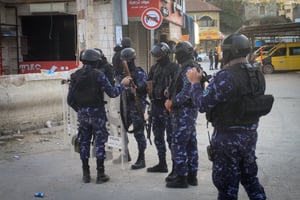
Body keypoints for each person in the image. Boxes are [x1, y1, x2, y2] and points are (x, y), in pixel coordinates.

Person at [186, 33, 268, 199]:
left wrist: (195, 83)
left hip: (227, 139)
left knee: (227, 188)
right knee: (250, 178)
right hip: (250, 135)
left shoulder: (225, 76)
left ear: (229, 52)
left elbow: (202, 104)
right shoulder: (257, 74)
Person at [67, 49, 131, 184]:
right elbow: (113, 93)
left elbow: (70, 100)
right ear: (96, 62)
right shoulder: (99, 75)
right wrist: (123, 85)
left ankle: (86, 174)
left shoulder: (75, 76)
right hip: (98, 114)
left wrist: (81, 110)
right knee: (100, 143)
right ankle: (100, 174)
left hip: (83, 115)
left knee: (84, 143)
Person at [164, 41, 199, 188]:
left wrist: (173, 101)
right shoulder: (188, 66)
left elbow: (187, 91)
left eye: (177, 54)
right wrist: (169, 91)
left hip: (183, 111)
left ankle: (181, 178)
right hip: (188, 110)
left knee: (179, 143)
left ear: (182, 54)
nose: (176, 57)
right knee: (190, 143)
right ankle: (191, 176)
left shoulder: (188, 68)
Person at [146, 42, 179, 174]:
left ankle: (176, 167)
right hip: (155, 106)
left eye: (158, 54)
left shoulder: (174, 68)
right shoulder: (154, 68)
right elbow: (148, 84)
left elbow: (178, 86)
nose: (156, 57)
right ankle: (162, 163)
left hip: (168, 108)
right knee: (158, 137)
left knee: (171, 138)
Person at [120, 47, 148, 170]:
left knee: (138, 132)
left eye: (127, 60)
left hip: (137, 106)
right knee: (122, 130)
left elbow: (144, 88)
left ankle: (141, 158)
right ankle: (125, 153)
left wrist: (135, 89)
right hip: (125, 106)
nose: (125, 63)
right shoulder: (123, 75)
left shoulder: (140, 73)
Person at [111, 37, 133, 163]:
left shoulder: (117, 55)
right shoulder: (124, 55)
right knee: (122, 123)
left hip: (121, 91)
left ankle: (125, 153)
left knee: (122, 124)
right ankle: (125, 153)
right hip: (123, 92)